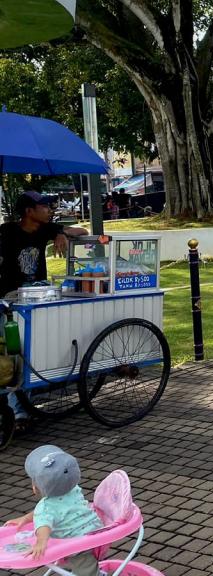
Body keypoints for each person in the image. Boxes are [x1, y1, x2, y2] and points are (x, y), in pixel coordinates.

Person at [1, 192, 87, 433]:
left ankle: (22, 407)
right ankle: (17, 411)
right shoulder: (7, 232)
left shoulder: (45, 229)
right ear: (29, 211)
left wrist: (60, 232)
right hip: (10, 300)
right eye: (44, 206)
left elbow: (81, 231)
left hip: (36, 297)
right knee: (13, 354)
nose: (49, 209)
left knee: (30, 351)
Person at [4, 445, 103, 576]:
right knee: (82, 563)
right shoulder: (74, 489)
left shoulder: (45, 507)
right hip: (97, 532)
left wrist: (41, 543)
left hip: (77, 545)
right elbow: (52, 512)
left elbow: (44, 525)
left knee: (85, 568)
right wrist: (26, 518)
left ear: (35, 488)